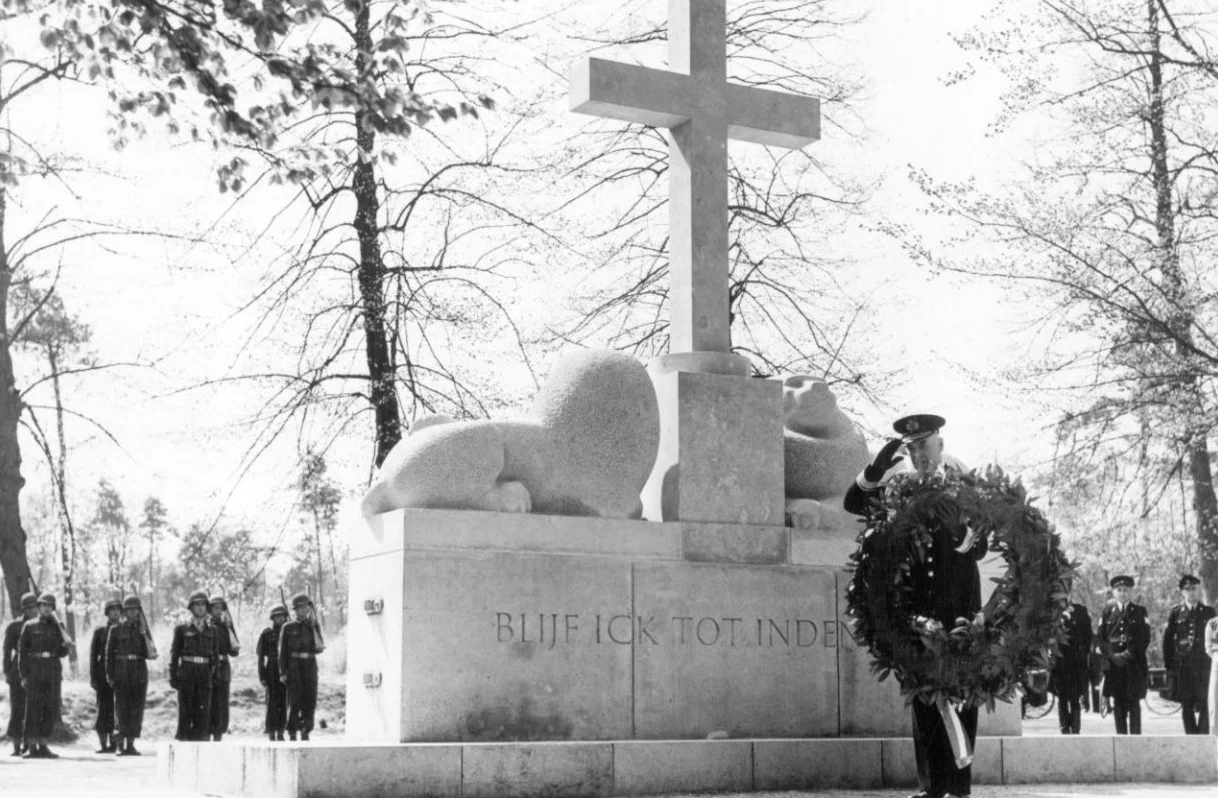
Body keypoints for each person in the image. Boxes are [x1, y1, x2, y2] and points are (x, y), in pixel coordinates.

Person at [844, 414, 985, 798]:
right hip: (917, 609)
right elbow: (853, 502)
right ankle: (932, 787)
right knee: (924, 696)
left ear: (940, 444)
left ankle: (959, 787)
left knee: (959, 692)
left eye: (925, 446)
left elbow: (984, 541)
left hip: (959, 606)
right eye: (912, 449)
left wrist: (971, 534)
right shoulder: (899, 486)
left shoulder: (963, 482)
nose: (919, 455)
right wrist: (874, 469)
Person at [18, 593, 72, 758]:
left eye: (50, 606)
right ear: (38, 607)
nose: (47, 608)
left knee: (50, 708)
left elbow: (62, 653)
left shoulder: (58, 627)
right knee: (33, 709)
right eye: (44, 605)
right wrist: (24, 675)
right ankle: (32, 746)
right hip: (34, 672)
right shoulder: (29, 626)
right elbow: (23, 652)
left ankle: (43, 745)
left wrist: (67, 645)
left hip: (52, 672)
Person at [1162, 574, 1216, 734]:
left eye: (1194, 589)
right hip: (1183, 666)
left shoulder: (1208, 612)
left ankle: (1202, 735)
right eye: (1187, 589)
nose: (1191, 592)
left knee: (1206, 701)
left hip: (1204, 665)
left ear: (1198, 590)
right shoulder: (1176, 612)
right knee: (1186, 703)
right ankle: (1191, 736)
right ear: (1182, 592)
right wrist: (1169, 666)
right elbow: (1167, 640)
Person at [1097, 574, 1150, 735]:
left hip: (1134, 665)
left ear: (1131, 592)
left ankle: (1135, 741)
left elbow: (1144, 639)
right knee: (1118, 703)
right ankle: (1121, 739)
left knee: (1134, 702)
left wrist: (1126, 655)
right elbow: (1101, 638)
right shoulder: (1107, 612)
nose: (1123, 593)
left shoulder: (1140, 611)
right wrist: (1113, 656)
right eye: (1119, 590)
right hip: (1114, 667)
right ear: (1114, 592)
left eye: (1126, 590)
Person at [106, 595, 153, 755]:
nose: (133, 612)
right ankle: (120, 744)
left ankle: (131, 743)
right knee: (121, 709)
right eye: (129, 610)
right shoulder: (116, 629)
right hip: (121, 671)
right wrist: (110, 676)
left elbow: (150, 653)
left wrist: (144, 634)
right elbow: (109, 656)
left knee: (136, 709)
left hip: (138, 671)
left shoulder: (144, 629)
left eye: (136, 610)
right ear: (124, 612)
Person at [170, 590, 218, 741]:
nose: (200, 608)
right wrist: (173, 676)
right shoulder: (182, 629)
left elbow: (215, 655)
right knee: (185, 710)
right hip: (187, 672)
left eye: (203, 604)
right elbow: (174, 654)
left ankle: (200, 743)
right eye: (197, 605)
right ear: (191, 608)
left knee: (203, 712)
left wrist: (213, 674)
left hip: (204, 673)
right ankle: (182, 742)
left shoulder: (213, 630)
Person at [279, 592, 325, 741]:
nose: (302, 610)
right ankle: (292, 731)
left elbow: (319, 646)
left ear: (308, 609)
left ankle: (306, 730)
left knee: (310, 699)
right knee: (294, 700)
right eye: (299, 608)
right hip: (294, 666)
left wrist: (314, 626)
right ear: (295, 610)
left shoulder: (313, 625)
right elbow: (282, 651)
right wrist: (282, 671)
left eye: (305, 607)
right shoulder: (287, 627)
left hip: (310, 665)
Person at [1048, 596, 1093, 734]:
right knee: (1061, 698)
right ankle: (1064, 728)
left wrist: (1083, 654)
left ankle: (1075, 729)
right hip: (1059, 661)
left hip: (1075, 661)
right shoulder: (1051, 610)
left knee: (1075, 697)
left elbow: (1087, 635)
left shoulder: (1080, 610)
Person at [3, 592, 38, 756]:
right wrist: (7, 672)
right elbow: (6, 650)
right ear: (24, 609)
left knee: (33, 709)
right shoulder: (14, 626)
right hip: (17, 670)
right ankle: (16, 745)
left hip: (37, 669)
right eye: (29, 608)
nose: (33, 611)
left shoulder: (41, 625)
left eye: (35, 607)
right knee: (17, 708)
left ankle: (29, 744)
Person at [89, 597, 122, 753]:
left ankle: (115, 743)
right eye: (112, 610)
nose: (115, 613)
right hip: (102, 676)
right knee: (104, 709)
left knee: (118, 709)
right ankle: (103, 744)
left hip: (120, 674)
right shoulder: (100, 632)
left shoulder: (124, 630)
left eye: (117, 610)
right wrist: (93, 677)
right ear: (107, 613)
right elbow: (93, 656)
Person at [207, 595, 240, 741]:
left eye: (221, 608)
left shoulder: (226, 626)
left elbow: (234, 651)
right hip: (208, 668)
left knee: (221, 703)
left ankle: (218, 734)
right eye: (215, 607)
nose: (218, 611)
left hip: (223, 667)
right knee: (209, 701)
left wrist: (229, 627)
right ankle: (207, 733)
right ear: (210, 609)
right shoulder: (206, 625)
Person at [257, 604, 289, 741]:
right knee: (272, 702)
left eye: (282, 615)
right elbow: (260, 657)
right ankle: (271, 731)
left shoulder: (289, 632)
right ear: (272, 618)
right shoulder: (266, 633)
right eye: (277, 616)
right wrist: (262, 675)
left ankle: (281, 731)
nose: (280, 619)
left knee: (284, 701)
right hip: (271, 669)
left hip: (286, 669)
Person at [1206, 611, 1218, 737]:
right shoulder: (1212, 623)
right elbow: (1208, 647)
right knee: (1215, 699)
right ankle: (1215, 737)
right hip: (1217, 660)